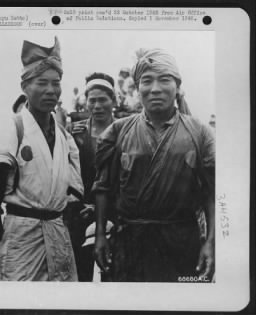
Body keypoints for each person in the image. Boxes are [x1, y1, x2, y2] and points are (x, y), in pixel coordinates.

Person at [93, 48, 215, 282]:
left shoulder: (199, 132)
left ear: (177, 86)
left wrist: (211, 242)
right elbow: (103, 187)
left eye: (165, 80)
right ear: (137, 88)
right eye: (147, 81)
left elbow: (212, 191)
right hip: (130, 244)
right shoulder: (118, 131)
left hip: (182, 242)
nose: (155, 88)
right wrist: (100, 234)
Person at [0, 37, 83, 281]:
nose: (51, 90)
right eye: (42, 83)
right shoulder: (10, 129)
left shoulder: (64, 136)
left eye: (56, 83)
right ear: (25, 87)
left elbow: (73, 193)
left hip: (58, 235)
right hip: (21, 235)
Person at [68, 72, 116, 281]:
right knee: (82, 273)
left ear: (113, 101)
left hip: (116, 213)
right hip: (81, 214)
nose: (97, 106)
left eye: (103, 100)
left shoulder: (125, 131)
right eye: (92, 100)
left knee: (113, 274)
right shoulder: (76, 134)